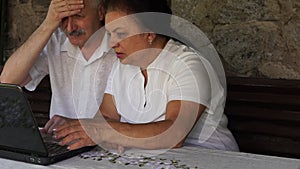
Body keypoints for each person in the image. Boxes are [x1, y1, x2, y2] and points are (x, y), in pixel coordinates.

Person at [52, 0, 239, 152]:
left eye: (120, 33)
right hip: (151, 158)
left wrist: (108, 133)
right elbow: (106, 117)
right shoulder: (123, 66)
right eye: (110, 34)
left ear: (149, 33)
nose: (112, 43)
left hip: (209, 156)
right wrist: (102, 133)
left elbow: (174, 135)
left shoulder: (188, 64)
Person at [0, 0, 115, 133]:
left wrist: (76, 126)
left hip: (107, 146)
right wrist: (48, 25)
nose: (70, 28)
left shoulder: (120, 47)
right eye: (64, 18)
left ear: (101, 12)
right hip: (61, 143)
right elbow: (7, 81)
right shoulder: (57, 42)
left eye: (78, 16)